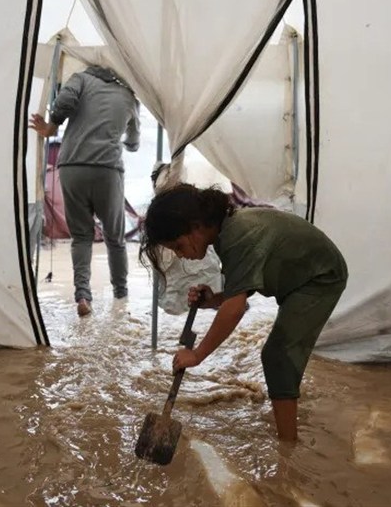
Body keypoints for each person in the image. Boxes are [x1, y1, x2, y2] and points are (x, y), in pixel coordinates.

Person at [139, 183, 348, 441]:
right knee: (280, 355)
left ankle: (288, 447)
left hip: (320, 278)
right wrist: (212, 300)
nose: (181, 256)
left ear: (196, 226)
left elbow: (235, 309)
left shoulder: (237, 236)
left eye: (179, 246)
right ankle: (286, 419)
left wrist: (197, 354)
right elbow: (240, 291)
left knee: (278, 355)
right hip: (301, 277)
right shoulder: (227, 232)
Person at [31, 65, 140, 316]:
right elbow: (133, 142)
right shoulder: (129, 96)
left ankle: (82, 296)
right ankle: (120, 297)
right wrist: (124, 138)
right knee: (115, 239)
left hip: (72, 167)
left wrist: (52, 126)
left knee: (81, 237)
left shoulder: (80, 79)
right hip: (107, 169)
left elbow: (65, 99)